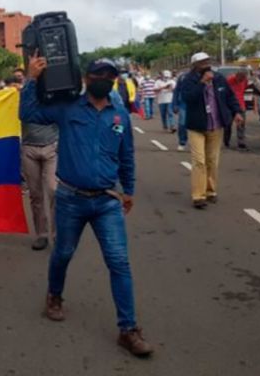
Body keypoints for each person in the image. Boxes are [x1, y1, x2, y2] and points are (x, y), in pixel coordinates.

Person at [20, 55, 152, 357]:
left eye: (110, 74)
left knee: (119, 262)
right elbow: (28, 113)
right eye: (98, 74)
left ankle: (128, 329)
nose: (104, 78)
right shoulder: (68, 108)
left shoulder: (120, 114)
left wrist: (128, 189)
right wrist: (31, 80)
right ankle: (54, 296)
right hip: (71, 199)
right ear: (87, 79)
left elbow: (127, 155)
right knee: (63, 253)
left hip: (107, 200)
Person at [181, 53, 243, 209]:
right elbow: (188, 98)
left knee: (212, 161)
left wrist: (237, 112)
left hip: (216, 125)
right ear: (194, 65)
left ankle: (210, 191)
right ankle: (198, 196)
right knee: (199, 162)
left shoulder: (219, 78)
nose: (206, 65)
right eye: (202, 63)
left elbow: (229, 97)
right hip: (196, 127)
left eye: (207, 61)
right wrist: (202, 83)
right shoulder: (188, 80)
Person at [20, 98, 58, 251]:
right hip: (29, 148)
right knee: (35, 195)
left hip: (51, 147)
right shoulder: (24, 97)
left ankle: (56, 235)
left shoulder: (55, 94)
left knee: (53, 191)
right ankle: (41, 234)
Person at [224, 68, 249, 150]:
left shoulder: (245, 81)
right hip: (230, 105)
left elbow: (244, 89)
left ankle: (241, 142)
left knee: (241, 124)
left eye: (243, 78)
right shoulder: (229, 80)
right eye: (240, 78)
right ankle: (226, 140)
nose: (241, 80)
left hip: (241, 104)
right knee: (228, 124)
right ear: (237, 75)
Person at [172, 72, 189, 151]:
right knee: (182, 124)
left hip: (197, 105)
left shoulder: (203, 75)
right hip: (183, 104)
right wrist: (175, 104)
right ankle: (182, 142)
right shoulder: (183, 76)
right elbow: (176, 91)